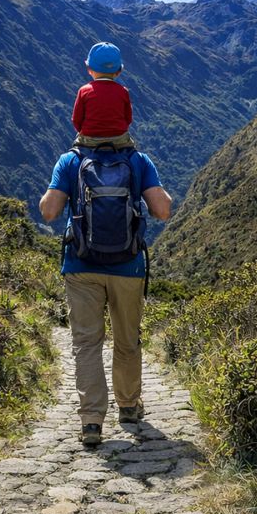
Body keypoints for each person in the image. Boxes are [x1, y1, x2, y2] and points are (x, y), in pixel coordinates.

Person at [39, 146, 172, 445]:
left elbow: (49, 211)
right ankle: (127, 407)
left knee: (86, 344)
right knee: (127, 339)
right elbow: (163, 210)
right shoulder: (138, 161)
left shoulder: (70, 161)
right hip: (128, 267)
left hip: (80, 266)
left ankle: (91, 422)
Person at [72, 42, 135, 150]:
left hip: (89, 141)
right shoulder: (123, 91)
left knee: (63, 164)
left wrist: (87, 132)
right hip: (119, 141)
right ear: (119, 71)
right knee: (143, 163)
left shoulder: (83, 91)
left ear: (89, 69)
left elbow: (76, 120)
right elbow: (128, 119)